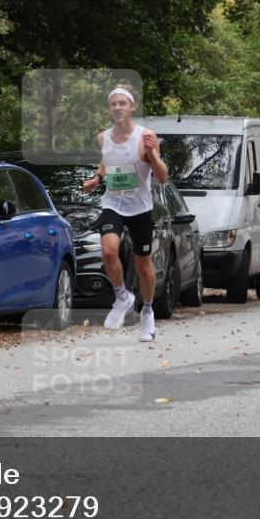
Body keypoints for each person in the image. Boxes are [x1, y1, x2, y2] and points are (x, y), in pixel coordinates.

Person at [82, 85, 168, 342]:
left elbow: (162, 177)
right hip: (113, 204)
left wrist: (152, 155)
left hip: (140, 207)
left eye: (123, 103)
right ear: (110, 108)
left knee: (143, 265)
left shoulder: (146, 136)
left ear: (132, 107)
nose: (118, 108)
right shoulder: (103, 138)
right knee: (109, 251)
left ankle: (148, 312)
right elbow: (107, 162)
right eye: (114, 104)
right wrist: (97, 178)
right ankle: (122, 296)